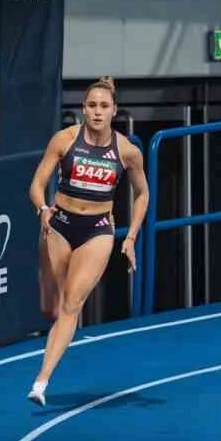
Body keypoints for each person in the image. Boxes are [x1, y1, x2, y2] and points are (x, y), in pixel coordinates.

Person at [27, 76, 149, 406]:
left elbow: (142, 194)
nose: (97, 112)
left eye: (104, 106)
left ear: (114, 111)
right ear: (83, 109)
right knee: (49, 307)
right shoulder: (64, 140)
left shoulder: (127, 152)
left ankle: (41, 381)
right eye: (92, 106)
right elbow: (36, 185)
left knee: (72, 304)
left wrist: (132, 235)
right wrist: (41, 209)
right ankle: (48, 349)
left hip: (98, 229)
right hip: (61, 225)